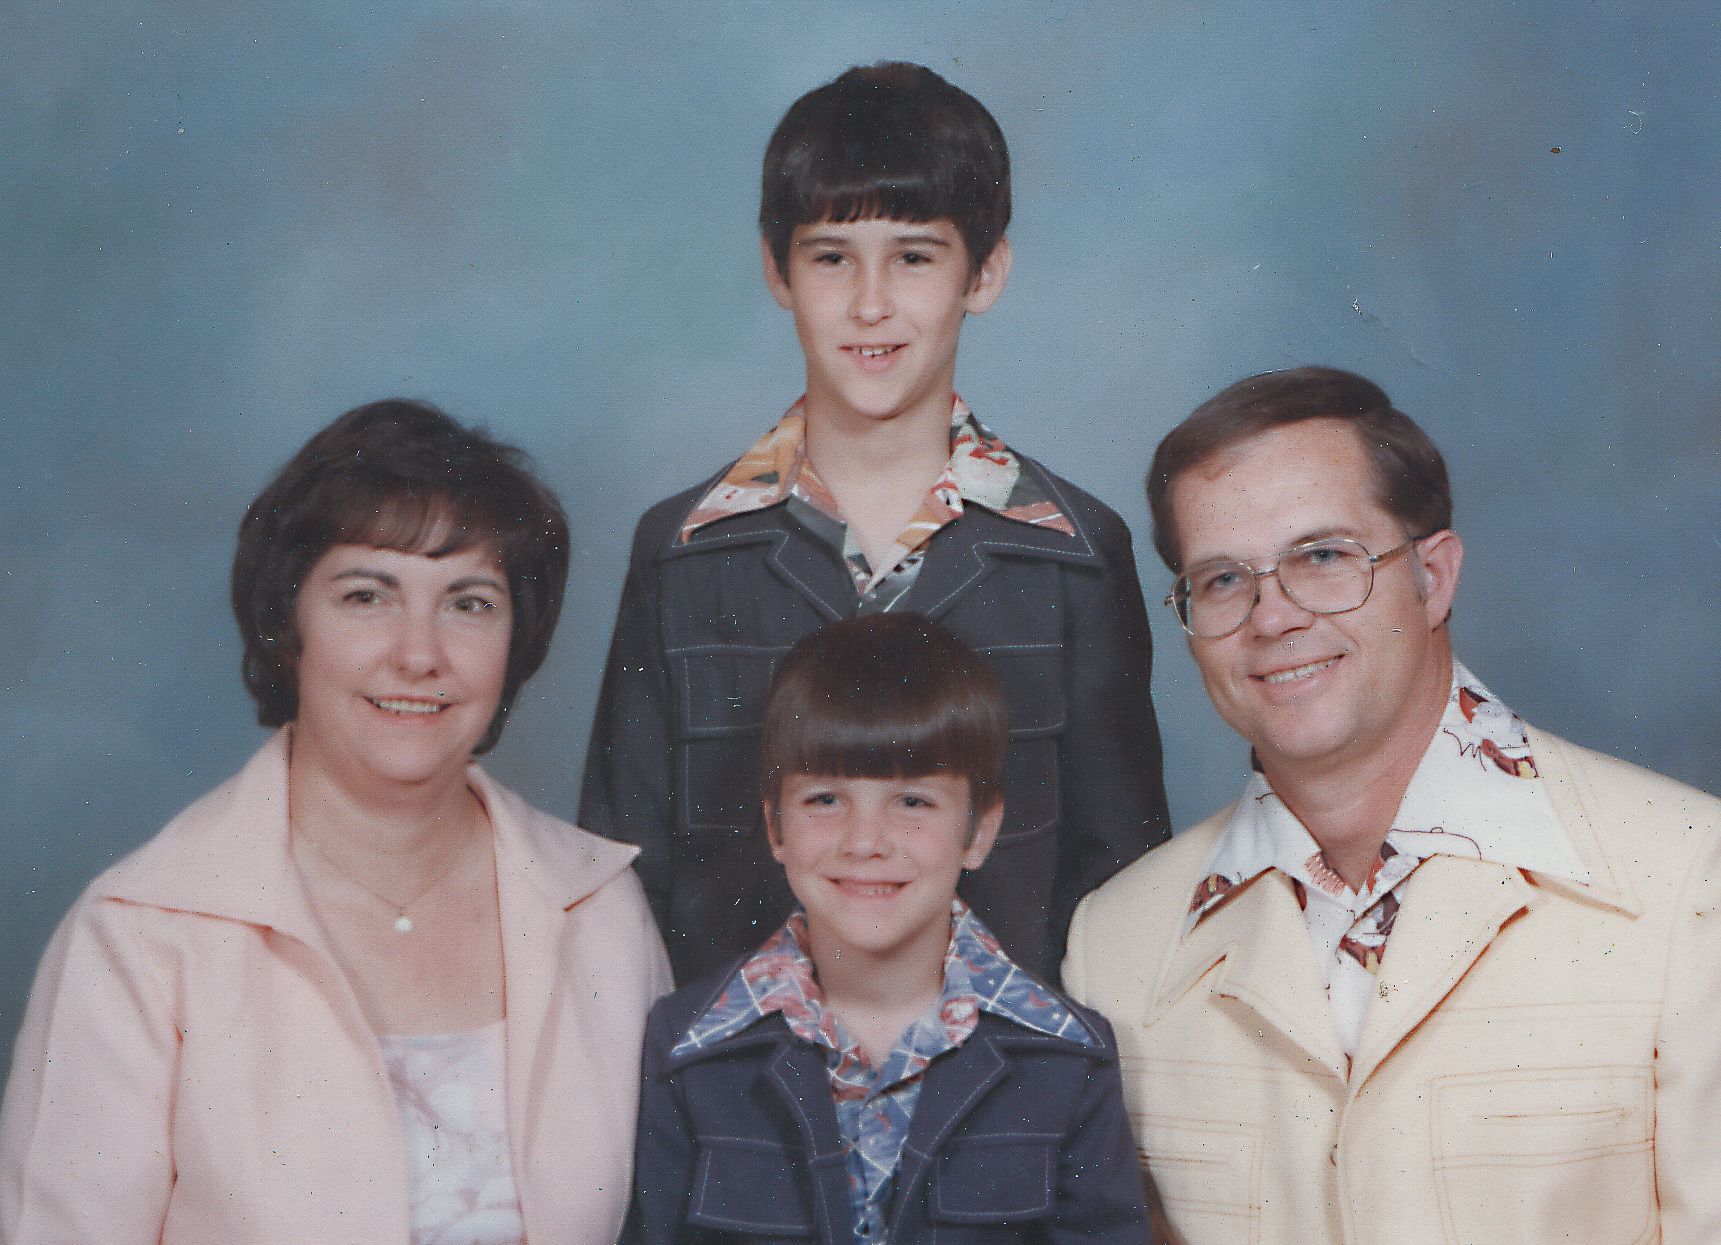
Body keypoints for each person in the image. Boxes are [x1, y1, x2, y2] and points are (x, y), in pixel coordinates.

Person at [1063, 366, 1721, 1243]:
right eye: (1221, 579)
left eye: (1322, 557)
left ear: (1433, 576)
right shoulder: (1115, 945)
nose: (1272, 617)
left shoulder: (1687, 880)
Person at [0, 401, 671, 1244]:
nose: (418, 653)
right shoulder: (140, 933)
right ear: (289, 626)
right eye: (366, 595)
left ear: (517, 639)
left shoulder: (599, 908)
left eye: (468, 603)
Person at [581, 61, 1170, 986]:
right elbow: (624, 887)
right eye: (830, 257)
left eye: (914, 257)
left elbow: (1123, 890)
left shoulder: (1076, 556)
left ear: (984, 272)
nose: (869, 304)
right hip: (739, 1075)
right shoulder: (683, 554)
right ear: (776, 270)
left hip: (1005, 1074)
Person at [626, 613, 1151, 1244]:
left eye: (913, 801)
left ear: (979, 831)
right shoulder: (687, 1050)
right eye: (825, 799)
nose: (865, 842)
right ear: (776, 827)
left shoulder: (1068, 1057)